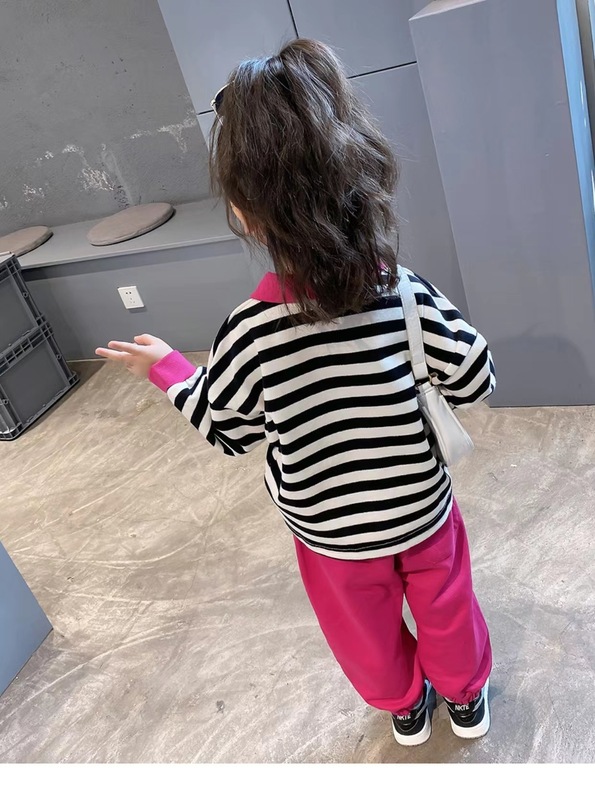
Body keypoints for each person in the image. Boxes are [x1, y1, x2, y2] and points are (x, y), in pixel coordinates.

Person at [96, 39, 495, 747]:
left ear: (246, 213)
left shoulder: (248, 332)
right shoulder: (404, 295)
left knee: (362, 628)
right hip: (419, 509)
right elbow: (473, 375)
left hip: (329, 533)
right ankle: (465, 699)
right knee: (447, 604)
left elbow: (228, 428)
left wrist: (167, 368)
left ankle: (405, 706)